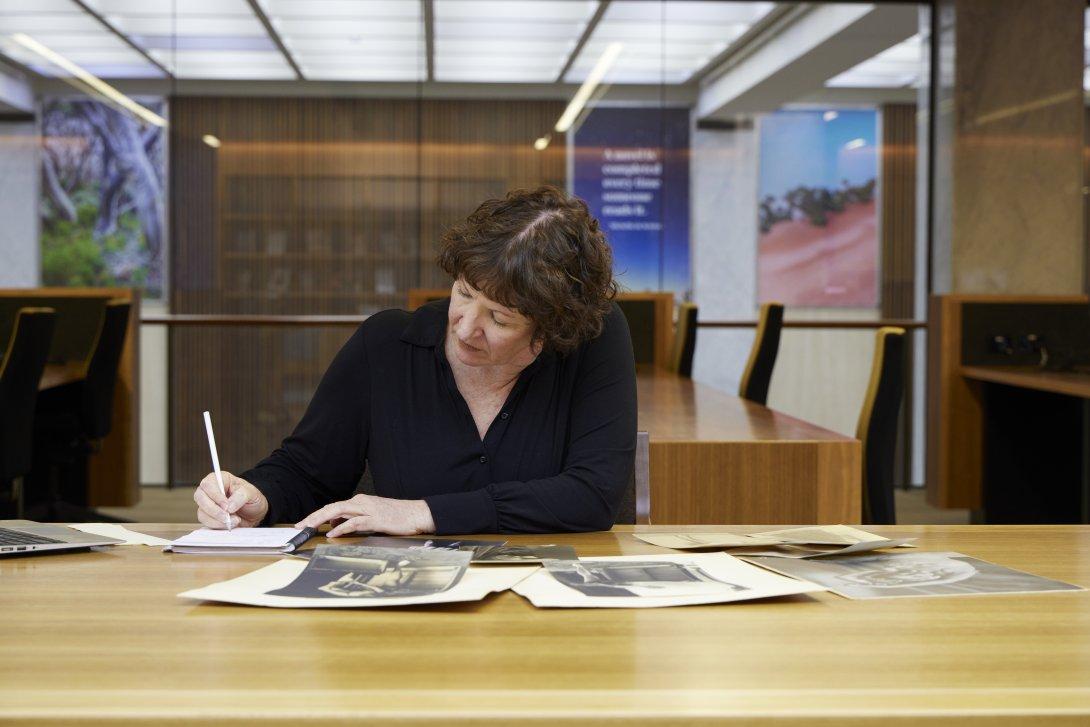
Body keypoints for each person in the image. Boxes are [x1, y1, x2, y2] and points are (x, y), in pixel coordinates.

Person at [193, 186, 637, 536]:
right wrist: (258, 495)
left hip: (548, 611)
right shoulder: (386, 345)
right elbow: (309, 471)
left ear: (553, 328)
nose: (464, 328)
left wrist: (425, 513)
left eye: (499, 319)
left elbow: (592, 495)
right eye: (463, 294)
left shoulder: (592, 339)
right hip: (408, 606)